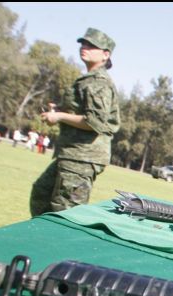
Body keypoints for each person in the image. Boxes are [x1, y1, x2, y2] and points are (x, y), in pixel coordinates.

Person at [29, 28, 120, 216]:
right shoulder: (88, 79)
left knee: (65, 211)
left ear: (105, 55)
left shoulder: (99, 81)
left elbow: (95, 122)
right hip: (72, 153)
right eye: (83, 43)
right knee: (41, 195)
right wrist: (59, 109)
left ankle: (57, 236)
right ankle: (44, 235)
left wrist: (59, 116)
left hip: (83, 156)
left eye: (91, 45)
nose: (84, 47)